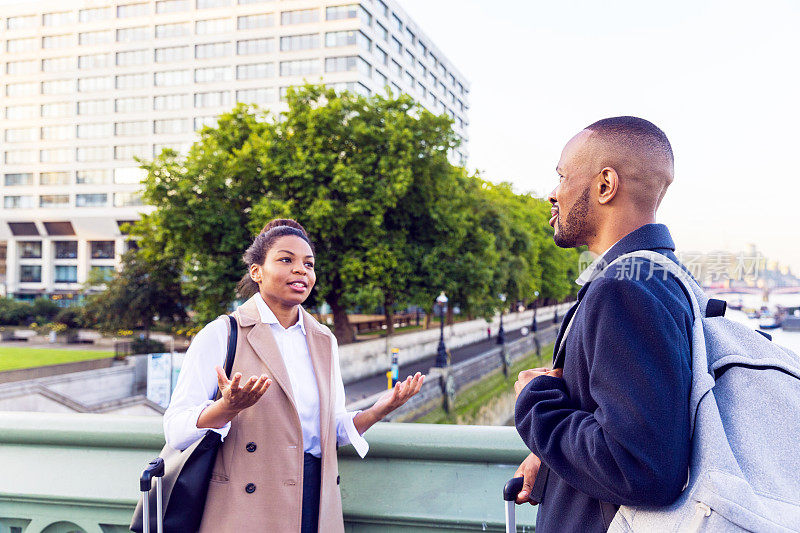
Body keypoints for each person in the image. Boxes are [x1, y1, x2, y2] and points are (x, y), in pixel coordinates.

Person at [164, 218, 424, 533]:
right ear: (256, 271)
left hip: (315, 499)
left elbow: (330, 432)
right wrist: (227, 407)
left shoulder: (323, 339)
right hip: (245, 505)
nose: (301, 270)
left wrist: (380, 409)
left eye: (308, 264)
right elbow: (176, 430)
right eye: (286, 260)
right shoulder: (222, 333)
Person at [512, 117, 694, 532]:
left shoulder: (623, 288)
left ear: (605, 185)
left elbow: (639, 467)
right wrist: (549, 452)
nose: (552, 193)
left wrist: (535, 400)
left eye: (561, 176)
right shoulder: (667, 277)